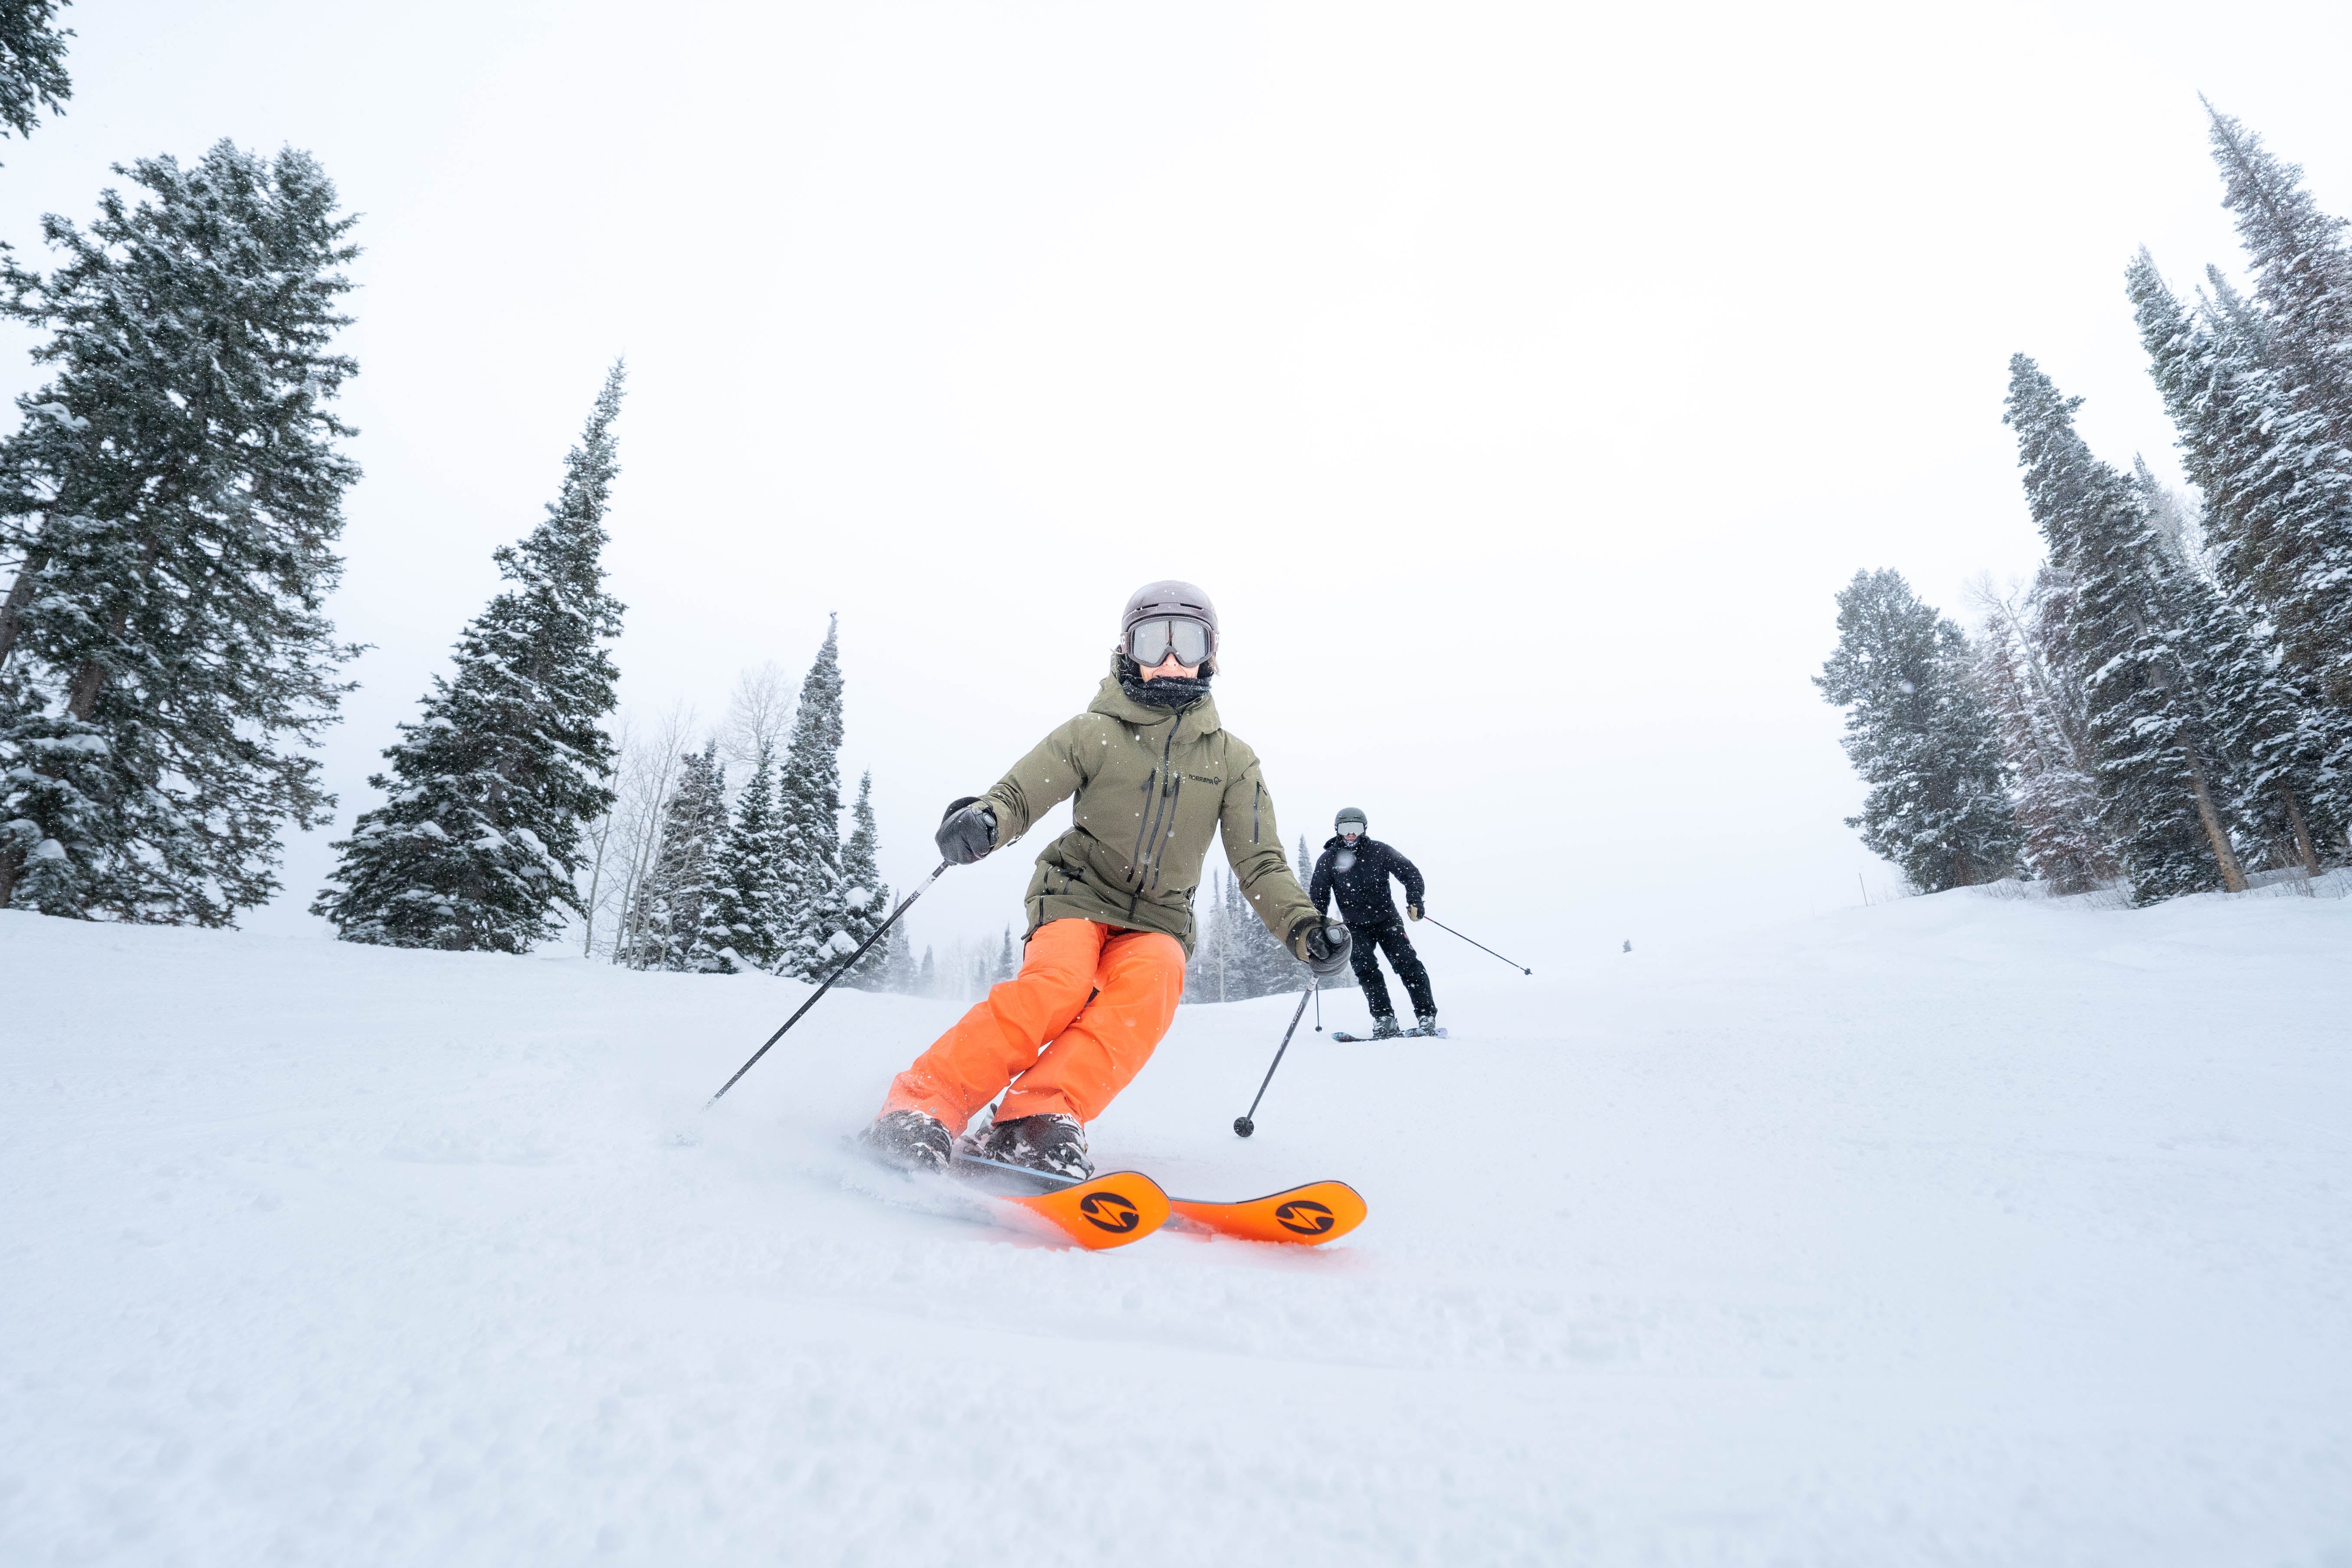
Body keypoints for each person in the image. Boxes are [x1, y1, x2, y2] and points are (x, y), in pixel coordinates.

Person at [861, 581, 1355, 1178]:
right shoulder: (1093, 732)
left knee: (1153, 984)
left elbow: (1260, 861)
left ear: (1211, 653)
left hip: (1157, 919)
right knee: (1057, 985)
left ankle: (1035, 1118)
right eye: (1153, 643)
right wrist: (987, 820)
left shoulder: (1231, 760)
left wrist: (1302, 925)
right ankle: (921, 1107)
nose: (1170, 659)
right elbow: (1023, 790)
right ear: (1127, 651)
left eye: (1187, 642)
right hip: (1076, 892)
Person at [1309, 807, 1437, 1039]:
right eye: (1345, 829)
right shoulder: (1329, 859)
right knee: (1367, 971)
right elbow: (1319, 897)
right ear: (1337, 831)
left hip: (1387, 920)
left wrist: (1415, 900)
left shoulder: (1380, 851)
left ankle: (1427, 1016)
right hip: (1356, 927)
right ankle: (1384, 1019)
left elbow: (1411, 874)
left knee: (1408, 965)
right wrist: (1317, 929)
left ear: (1364, 830)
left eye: (1355, 829)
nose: (1350, 835)